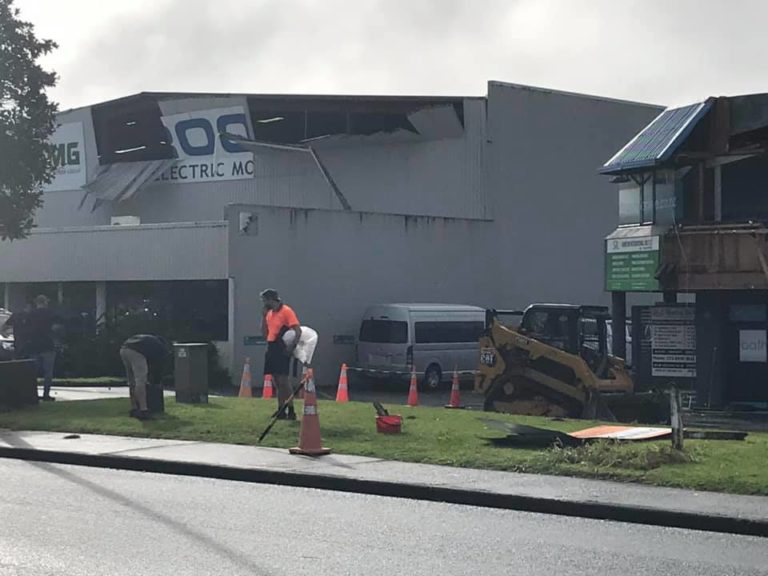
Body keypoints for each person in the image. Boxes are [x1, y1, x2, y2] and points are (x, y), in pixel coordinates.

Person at [260, 289, 302, 420]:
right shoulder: (270, 313)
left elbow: (297, 330)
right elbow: (264, 333)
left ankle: (291, 409)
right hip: (272, 346)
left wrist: (292, 347)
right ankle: (280, 409)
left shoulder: (286, 311)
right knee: (276, 381)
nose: (264, 303)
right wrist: (263, 317)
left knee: (283, 380)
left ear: (271, 300)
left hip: (282, 347)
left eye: (265, 300)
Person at [120, 334, 170, 421]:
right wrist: (156, 380)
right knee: (140, 380)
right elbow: (158, 365)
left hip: (124, 350)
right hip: (136, 352)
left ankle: (134, 408)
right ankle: (143, 410)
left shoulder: (149, 340)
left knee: (132, 381)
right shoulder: (161, 348)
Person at [24, 295, 62, 401]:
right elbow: (57, 327)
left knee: (33, 372)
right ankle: (46, 394)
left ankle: (33, 395)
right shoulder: (51, 313)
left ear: (36, 303)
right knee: (48, 372)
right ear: (45, 302)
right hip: (48, 345)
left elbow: (26, 329)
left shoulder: (31, 314)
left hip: (34, 346)